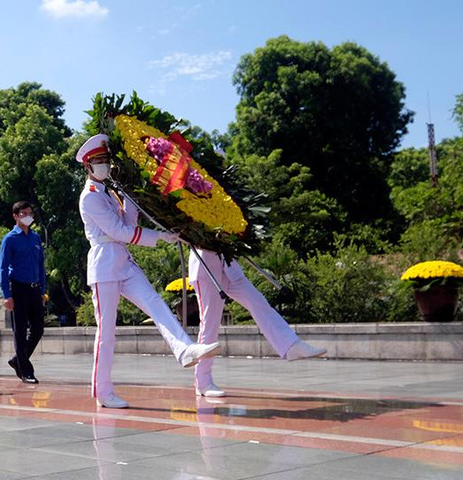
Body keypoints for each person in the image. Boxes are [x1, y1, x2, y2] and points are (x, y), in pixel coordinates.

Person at [77, 134, 220, 409]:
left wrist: (131, 196)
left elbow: (129, 222)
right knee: (106, 331)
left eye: (106, 160)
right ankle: (103, 391)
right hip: (104, 263)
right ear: (88, 166)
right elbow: (118, 231)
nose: (104, 165)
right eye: (98, 161)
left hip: (123, 260)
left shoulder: (111, 193)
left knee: (155, 303)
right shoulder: (90, 198)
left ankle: (183, 349)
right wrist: (158, 237)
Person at [188, 251, 327, 397]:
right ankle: (203, 382)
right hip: (206, 269)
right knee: (210, 323)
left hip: (230, 268)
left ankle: (291, 345)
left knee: (258, 302)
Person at [0, 201, 46, 384]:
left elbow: (41, 265)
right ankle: (26, 370)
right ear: (15, 216)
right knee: (19, 331)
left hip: (35, 289)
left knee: (38, 329)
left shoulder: (35, 238)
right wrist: (6, 295)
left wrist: (42, 289)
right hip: (18, 289)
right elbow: (3, 268)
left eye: (30, 212)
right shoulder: (10, 239)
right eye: (23, 213)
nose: (28, 216)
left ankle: (17, 360)